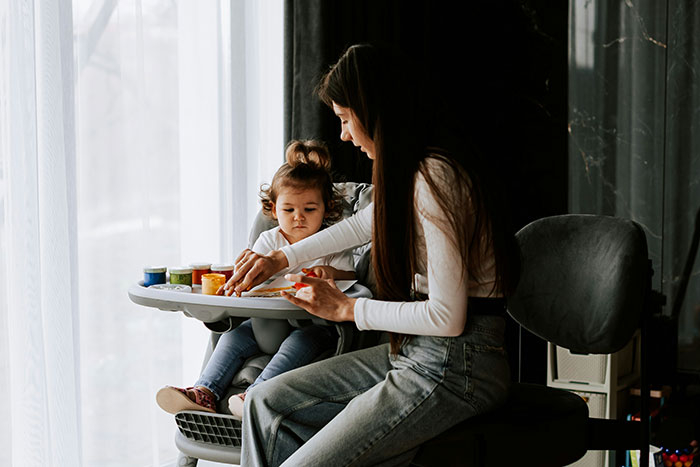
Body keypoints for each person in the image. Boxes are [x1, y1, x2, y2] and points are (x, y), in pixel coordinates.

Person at [228, 43, 519, 466]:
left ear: (376, 111)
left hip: (460, 364)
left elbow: (447, 317)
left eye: (346, 119)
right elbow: (361, 227)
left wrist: (347, 310)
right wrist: (280, 259)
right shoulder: (411, 175)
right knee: (263, 403)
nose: (344, 135)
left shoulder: (435, 178)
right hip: (413, 352)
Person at [156, 140, 356, 419]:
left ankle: (254, 394)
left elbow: (352, 276)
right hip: (264, 325)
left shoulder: (333, 242)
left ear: (327, 207)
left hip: (312, 325)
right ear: (274, 210)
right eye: (289, 210)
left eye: (309, 209)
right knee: (233, 336)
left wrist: (331, 274)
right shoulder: (268, 241)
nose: (299, 218)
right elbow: (249, 279)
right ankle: (205, 392)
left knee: (302, 342)